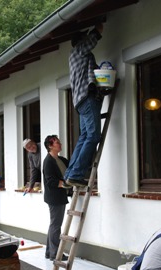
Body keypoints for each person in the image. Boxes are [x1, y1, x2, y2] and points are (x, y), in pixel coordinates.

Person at [64, 23, 105, 188]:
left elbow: (92, 74)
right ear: (80, 41)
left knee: (84, 137)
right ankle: (75, 175)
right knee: (93, 136)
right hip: (87, 99)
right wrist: (98, 29)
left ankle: (69, 175)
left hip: (80, 101)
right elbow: (91, 40)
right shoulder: (79, 51)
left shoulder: (76, 57)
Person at [42, 135, 70, 261]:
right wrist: (66, 184)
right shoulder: (48, 161)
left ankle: (50, 252)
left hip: (60, 196)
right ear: (50, 146)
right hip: (54, 197)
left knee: (54, 224)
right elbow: (51, 181)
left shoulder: (62, 160)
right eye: (57, 142)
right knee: (56, 225)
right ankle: (55, 254)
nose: (60, 144)